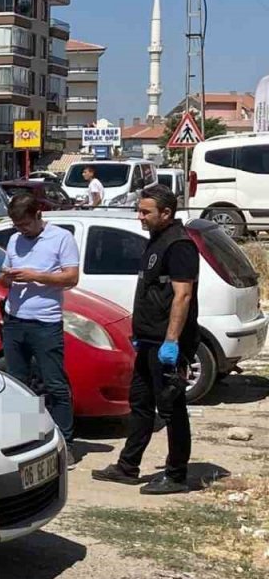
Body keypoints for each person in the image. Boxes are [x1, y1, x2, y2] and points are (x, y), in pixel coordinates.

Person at [93, 184, 199, 495]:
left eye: (145, 212)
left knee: (171, 408)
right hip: (148, 339)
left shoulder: (180, 245)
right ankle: (128, 466)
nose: (139, 216)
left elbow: (183, 296)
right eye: (139, 210)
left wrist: (172, 342)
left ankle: (177, 475)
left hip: (167, 344)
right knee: (140, 403)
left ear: (166, 213)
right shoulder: (156, 240)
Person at [0, 191, 81, 453]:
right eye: (17, 226)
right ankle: (28, 440)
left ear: (38, 215)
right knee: (19, 384)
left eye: (25, 224)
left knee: (54, 383)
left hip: (45, 323)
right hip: (14, 319)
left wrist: (36, 276)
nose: (21, 230)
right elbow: (1, 277)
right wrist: (8, 278)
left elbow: (71, 278)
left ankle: (65, 443)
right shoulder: (14, 240)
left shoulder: (61, 238)